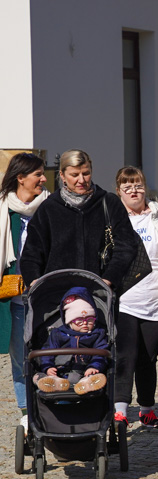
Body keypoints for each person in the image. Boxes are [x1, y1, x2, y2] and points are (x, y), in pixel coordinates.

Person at [111, 167, 158, 428]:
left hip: (156, 300)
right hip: (125, 301)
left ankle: (146, 409)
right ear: (118, 191)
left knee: (148, 358)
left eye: (138, 185)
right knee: (125, 355)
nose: (134, 191)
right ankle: (120, 409)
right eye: (127, 186)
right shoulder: (114, 219)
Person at [20, 149, 137, 290]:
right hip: (56, 296)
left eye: (86, 173)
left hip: (99, 294)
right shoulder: (49, 208)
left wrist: (108, 279)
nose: (81, 180)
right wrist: (35, 283)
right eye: (74, 175)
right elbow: (31, 253)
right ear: (62, 175)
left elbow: (126, 246)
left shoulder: (109, 203)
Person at [0, 152, 49, 427]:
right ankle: (26, 414)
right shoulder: (3, 208)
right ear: (20, 177)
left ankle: (51, 405)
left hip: (48, 296)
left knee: (50, 354)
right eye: (38, 174)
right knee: (21, 359)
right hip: (15, 297)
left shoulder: (49, 206)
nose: (43, 179)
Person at [34, 288, 108, 395]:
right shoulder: (58, 334)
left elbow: (101, 353)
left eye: (90, 319)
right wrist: (48, 367)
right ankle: (54, 382)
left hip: (85, 371)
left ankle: (86, 383)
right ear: (69, 322)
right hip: (59, 371)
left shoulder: (97, 334)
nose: (85, 323)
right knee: (37, 377)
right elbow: (47, 352)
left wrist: (94, 366)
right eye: (79, 321)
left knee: (94, 376)